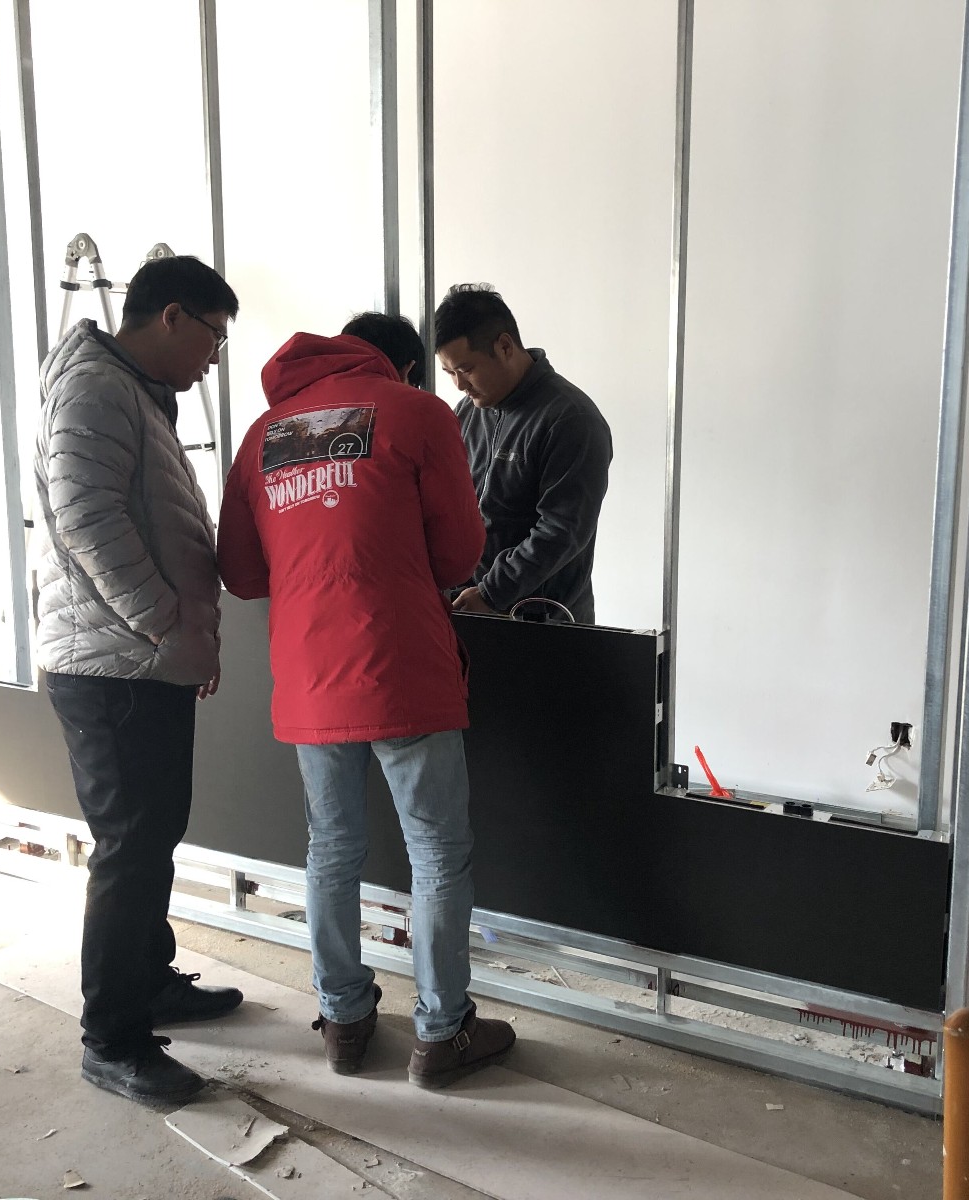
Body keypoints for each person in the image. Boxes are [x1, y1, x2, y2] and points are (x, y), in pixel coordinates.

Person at [216, 312, 517, 1088]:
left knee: (331, 847)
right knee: (436, 852)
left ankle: (344, 1022)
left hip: (309, 675)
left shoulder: (262, 436)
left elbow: (242, 574)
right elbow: (460, 554)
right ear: (401, 368)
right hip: (402, 664)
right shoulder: (419, 414)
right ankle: (442, 1035)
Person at [35, 255, 243, 1106]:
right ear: (172, 316)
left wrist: (181, 639)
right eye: (212, 337)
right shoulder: (95, 389)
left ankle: (149, 983)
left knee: (152, 837)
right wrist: (165, 624)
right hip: (114, 663)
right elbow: (86, 518)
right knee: (130, 848)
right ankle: (112, 1040)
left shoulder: (132, 392)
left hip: (139, 659)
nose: (214, 359)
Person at [433, 284, 613, 624]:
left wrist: (492, 593)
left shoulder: (571, 419)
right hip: (473, 609)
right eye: (449, 372)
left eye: (466, 369)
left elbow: (561, 530)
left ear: (504, 346)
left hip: (545, 624)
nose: (459, 384)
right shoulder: (467, 412)